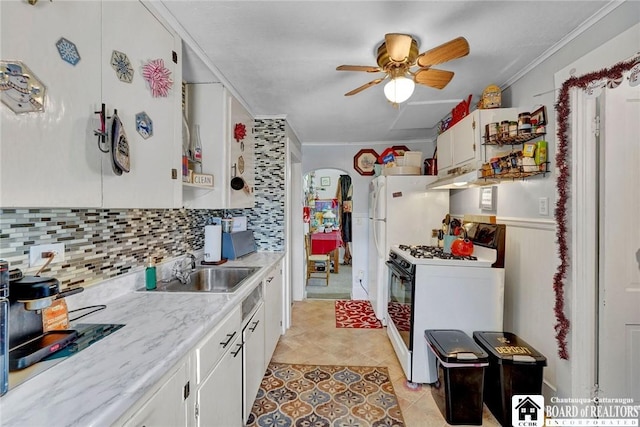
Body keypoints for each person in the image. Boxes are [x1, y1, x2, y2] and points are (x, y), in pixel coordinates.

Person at [336, 175, 352, 265]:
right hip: (346, 215)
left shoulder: (343, 180)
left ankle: (347, 256)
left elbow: (339, 200)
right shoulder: (343, 180)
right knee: (347, 234)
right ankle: (347, 256)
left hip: (347, 215)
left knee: (347, 233)